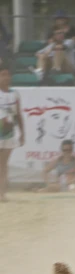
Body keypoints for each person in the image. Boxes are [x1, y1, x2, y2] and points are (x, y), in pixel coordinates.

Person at [0, 64, 23, 202]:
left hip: (9, 133)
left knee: (3, 164)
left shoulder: (15, 94)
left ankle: (2, 193)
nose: (6, 77)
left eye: (8, 75)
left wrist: (22, 133)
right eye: (3, 74)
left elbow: (19, 114)